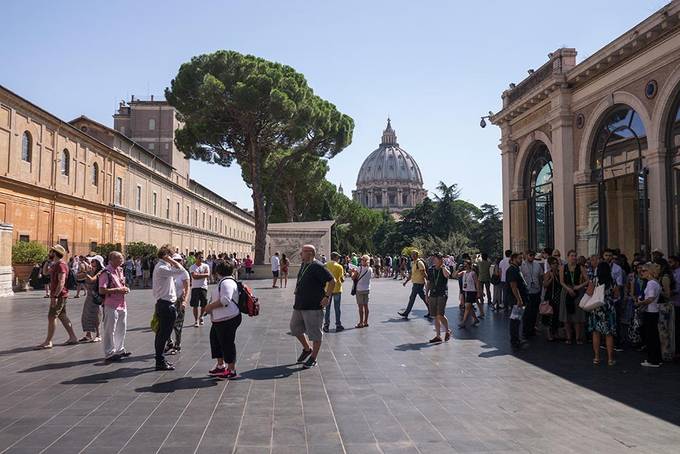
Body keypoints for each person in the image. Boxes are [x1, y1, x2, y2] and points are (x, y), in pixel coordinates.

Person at [290, 244, 334, 369]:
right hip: (299, 304)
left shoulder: (318, 266)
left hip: (313, 305)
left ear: (310, 253)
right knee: (294, 328)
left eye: (302, 252)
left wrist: (327, 297)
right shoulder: (304, 264)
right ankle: (307, 348)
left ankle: (313, 358)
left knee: (315, 334)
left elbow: (332, 281)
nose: (300, 254)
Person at [152, 245, 190, 371]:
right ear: (167, 256)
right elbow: (182, 271)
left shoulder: (163, 267)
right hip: (166, 305)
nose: (174, 257)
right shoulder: (162, 267)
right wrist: (171, 260)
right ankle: (160, 361)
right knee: (163, 335)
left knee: (161, 334)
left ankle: (160, 359)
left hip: (165, 304)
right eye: (172, 255)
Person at [35, 245, 79, 349]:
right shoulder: (55, 264)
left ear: (55, 253)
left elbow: (62, 281)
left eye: (51, 251)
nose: (49, 252)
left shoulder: (61, 265)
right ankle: (73, 337)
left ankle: (48, 341)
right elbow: (45, 272)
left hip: (59, 295)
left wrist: (54, 296)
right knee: (62, 316)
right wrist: (47, 261)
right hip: (58, 295)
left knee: (52, 317)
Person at [204, 260, 242, 379]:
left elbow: (225, 300)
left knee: (227, 343)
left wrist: (210, 306)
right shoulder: (224, 281)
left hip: (228, 318)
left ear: (218, 271)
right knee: (215, 340)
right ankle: (220, 366)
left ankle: (231, 369)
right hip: (220, 319)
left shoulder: (227, 283)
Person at [98, 251, 132, 361]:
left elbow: (121, 283)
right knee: (110, 329)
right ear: (111, 260)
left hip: (122, 303)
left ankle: (120, 349)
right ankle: (109, 352)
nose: (121, 261)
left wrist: (125, 288)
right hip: (111, 304)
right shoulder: (106, 272)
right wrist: (118, 290)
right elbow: (102, 290)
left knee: (121, 328)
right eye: (119, 259)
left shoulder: (120, 270)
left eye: (122, 258)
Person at [587, 259, 617, 366]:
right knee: (609, 334)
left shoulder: (594, 280)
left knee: (596, 333)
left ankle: (596, 357)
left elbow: (589, 292)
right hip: (608, 308)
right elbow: (617, 295)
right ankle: (610, 359)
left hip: (597, 307)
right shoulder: (612, 280)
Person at [636, 262, 663, 367]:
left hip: (651, 312)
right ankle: (657, 359)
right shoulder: (655, 282)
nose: (641, 272)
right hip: (653, 312)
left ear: (649, 272)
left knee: (651, 337)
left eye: (643, 270)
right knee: (654, 337)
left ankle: (653, 360)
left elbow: (650, 298)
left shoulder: (651, 283)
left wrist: (640, 303)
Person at [559, 250, 588, 345]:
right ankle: (568, 337)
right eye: (572, 256)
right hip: (566, 292)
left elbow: (587, 280)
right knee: (566, 317)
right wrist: (568, 289)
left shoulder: (581, 267)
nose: (574, 257)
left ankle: (578, 338)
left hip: (578, 292)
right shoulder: (563, 267)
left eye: (575, 256)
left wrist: (578, 287)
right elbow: (561, 281)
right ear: (568, 257)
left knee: (577, 316)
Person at [166, 253, 190, 354]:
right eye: (175, 260)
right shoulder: (169, 271)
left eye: (179, 260)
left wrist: (185, 301)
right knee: (166, 323)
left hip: (179, 299)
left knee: (178, 324)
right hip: (168, 300)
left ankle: (177, 344)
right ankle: (169, 342)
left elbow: (187, 288)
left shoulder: (184, 273)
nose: (177, 262)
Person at [427, 252, 451, 343]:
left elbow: (447, 275)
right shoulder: (431, 269)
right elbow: (429, 282)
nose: (434, 260)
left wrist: (444, 267)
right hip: (433, 294)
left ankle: (447, 330)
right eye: (434, 259)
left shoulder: (445, 268)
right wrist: (426, 294)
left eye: (436, 259)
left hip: (442, 294)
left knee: (440, 314)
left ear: (441, 260)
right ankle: (438, 336)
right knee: (435, 316)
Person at [398, 250, 430, 319]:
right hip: (416, 283)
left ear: (416, 255)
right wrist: (406, 282)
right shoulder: (414, 263)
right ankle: (431, 311)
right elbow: (411, 274)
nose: (412, 256)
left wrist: (428, 281)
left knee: (412, 298)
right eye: (412, 255)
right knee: (424, 298)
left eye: (413, 254)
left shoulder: (419, 263)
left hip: (419, 284)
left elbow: (424, 273)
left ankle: (406, 313)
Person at [79, 255, 103, 343]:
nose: (91, 263)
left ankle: (98, 334)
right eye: (91, 261)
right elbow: (79, 277)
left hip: (95, 296)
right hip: (89, 296)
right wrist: (83, 271)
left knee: (96, 315)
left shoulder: (100, 272)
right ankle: (88, 334)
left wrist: (85, 273)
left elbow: (93, 280)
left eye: (93, 261)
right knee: (86, 315)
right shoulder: (90, 271)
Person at [506, 252, 527, 348]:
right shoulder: (512, 270)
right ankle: (515, 340)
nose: (521, 260)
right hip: (515, 300)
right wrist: (519, 299)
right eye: (520, 258)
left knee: (517, 319)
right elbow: (513, 286)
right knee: (515, 320)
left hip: (518, 299)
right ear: (514, 259)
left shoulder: (516, 269)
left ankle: (516, 338)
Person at [520, 250, 543, 338]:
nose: (532, 257)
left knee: (534, 312)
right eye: (530, 255)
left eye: (533, 255)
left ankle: (532, 329)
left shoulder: (537, 265)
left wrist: (541, 288)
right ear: (526, 255)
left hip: (536, 291)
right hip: (527, 291)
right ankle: (525, 330)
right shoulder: (522, 265)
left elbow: (540, 277)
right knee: (527, 313)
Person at [324, 252, 345, 332]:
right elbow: (342, 279)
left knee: (327, 308)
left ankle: (326, 325)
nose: (339, 259)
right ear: (335, 258)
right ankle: (338, 324)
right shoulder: (339, 267)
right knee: (337, 308)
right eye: (338, 257)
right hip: (337, 289)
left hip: (328, 289)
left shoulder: (325, 265)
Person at [541, 256, 562, 341]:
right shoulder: (548, 273)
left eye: (556, 263)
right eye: (553, 263)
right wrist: (551, 279)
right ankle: (549, 333)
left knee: (557, 315)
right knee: (549, 315)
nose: (555, 265)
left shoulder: (559, 272)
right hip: (550, 296)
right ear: (550, 265)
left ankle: (555, 332)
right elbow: (545, 285)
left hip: (558, 296)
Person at [189, 253, 211, 327]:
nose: (201, 259)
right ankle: (196, 320)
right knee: (195, 305)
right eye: (199, 257)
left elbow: (208, 275)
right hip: (195, 287)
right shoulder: (192, 267)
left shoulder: (206, 266)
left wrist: (198, 275)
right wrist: (203, 275)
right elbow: (194, 276)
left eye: (202, 257)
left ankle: (201, 316)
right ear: (196, 258)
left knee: (203, 304)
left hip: (203, 287)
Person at [458, 260, 481, 329]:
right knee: (469, 308)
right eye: (464, 265)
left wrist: (478, 292)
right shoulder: (464, 272)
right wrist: (458, 269)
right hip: (466, 291)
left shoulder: (473, 273)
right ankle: (476, 319)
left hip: (472, 291)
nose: (465, 266)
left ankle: (463, 322)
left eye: (466, 264)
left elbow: (477, 282)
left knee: (467, 307)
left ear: (469, 265)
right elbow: (454, 275)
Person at [352, 255, 373, 328]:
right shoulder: (370, 269)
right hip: (367, 288)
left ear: (363, 261)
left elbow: (353, 277)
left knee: (360, 307)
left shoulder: (359, 268)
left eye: (361, 260)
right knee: (366, 306)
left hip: (359, 289)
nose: (360, 261)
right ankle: (366, 321)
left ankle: (361, 322)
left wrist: (352, 272)